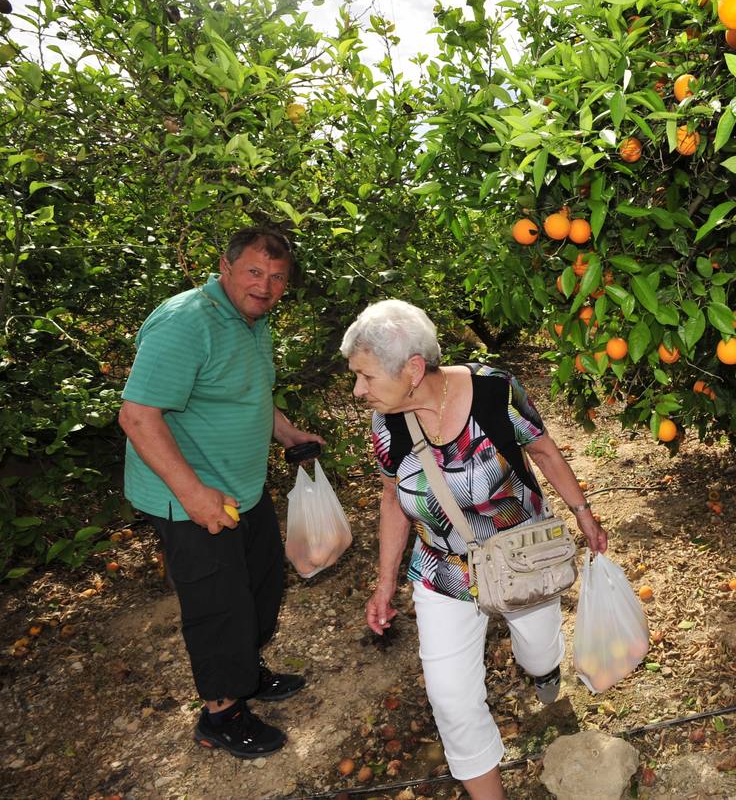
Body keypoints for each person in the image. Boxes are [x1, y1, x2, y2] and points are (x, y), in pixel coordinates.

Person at [341, 299, 608, 800]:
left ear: (414, 369)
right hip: (441, 571)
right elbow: (391, 498)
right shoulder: (387, 421)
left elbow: (544, 450)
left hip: (521, 557)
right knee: (452, 698)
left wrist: (582, 513)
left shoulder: (494, 390)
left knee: (538, 651)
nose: (359, 390)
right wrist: (384, 585)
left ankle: (544, 669)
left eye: (366, 377)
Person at [117, 226, 325, 759]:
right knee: (218, 604)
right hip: (190, 497)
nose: (266, 285)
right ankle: (221, 714)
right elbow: (138, 417)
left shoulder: (253, 322)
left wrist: (287, 433)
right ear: (225, 267)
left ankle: (244, 673)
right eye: (255, 272)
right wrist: (192, 495)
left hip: (242, 486)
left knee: (259, 586)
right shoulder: (186, 322)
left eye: (277, 278)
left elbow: (248, 393)